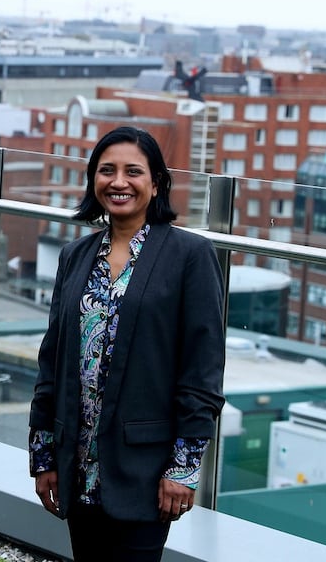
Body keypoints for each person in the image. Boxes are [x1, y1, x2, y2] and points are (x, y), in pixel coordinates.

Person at [28, 126, 226, 562]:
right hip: (77, 465)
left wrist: (184, 467)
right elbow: (51, 362)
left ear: (156, 183)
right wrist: (43, 456)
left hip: (146, 469)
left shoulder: (190, 255)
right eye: (107, 171)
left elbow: (203, 370)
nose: (119, 182)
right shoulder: (76, 255)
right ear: (93, 180)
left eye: (133, 171)